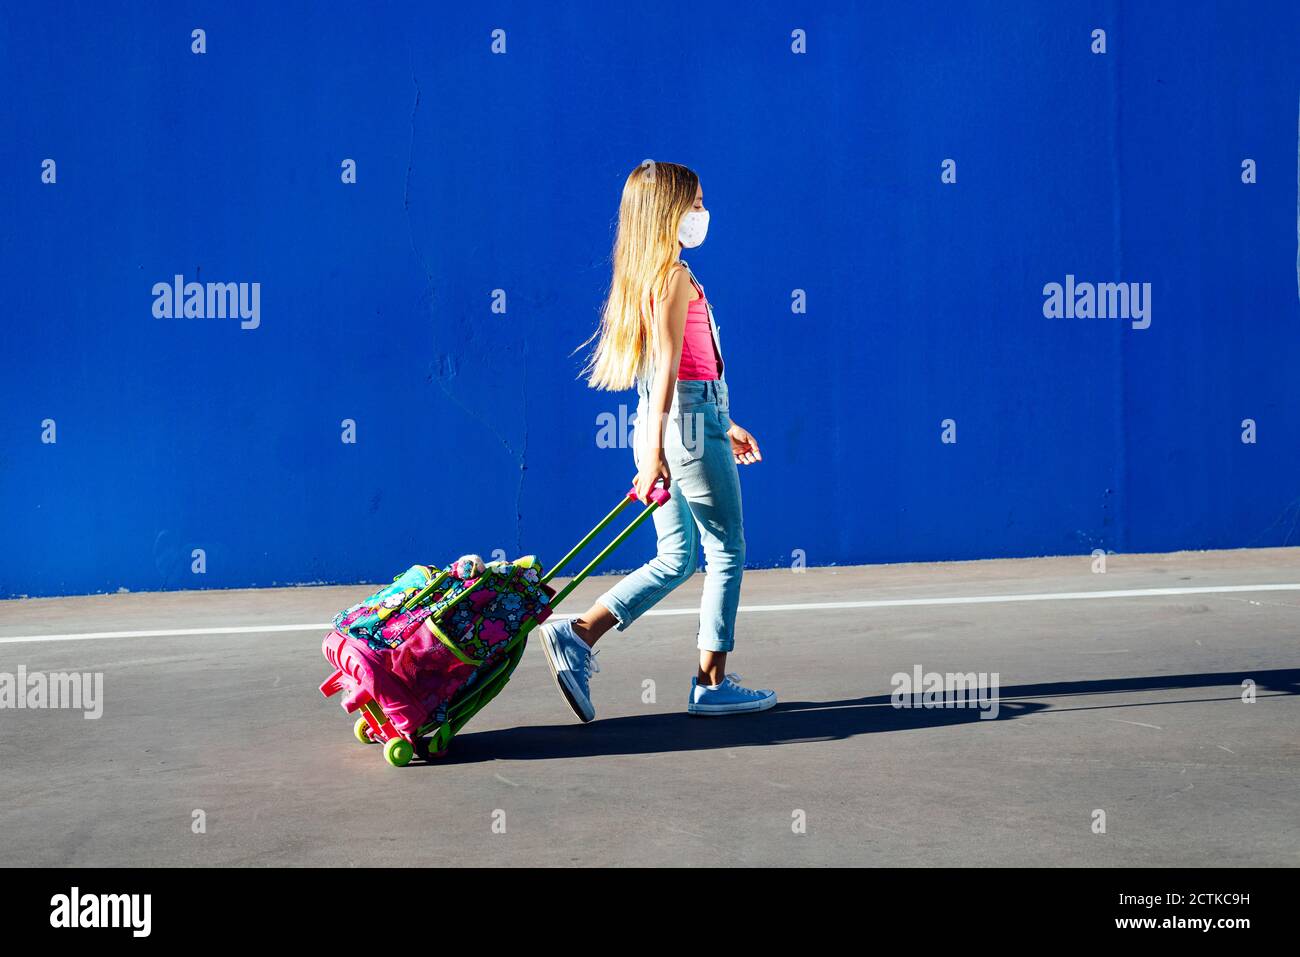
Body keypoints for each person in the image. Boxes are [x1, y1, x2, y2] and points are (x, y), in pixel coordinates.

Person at [537, 160, 777, 721]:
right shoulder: (672, 277)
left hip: (683, 421)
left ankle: (577, 634)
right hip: (685, 426)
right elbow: (667, 368)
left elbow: (678, 375)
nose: (701, 214)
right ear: (668, 212)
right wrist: (655, 457)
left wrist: (723, 422)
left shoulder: (652, 276)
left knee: (676, 558)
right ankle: (711, 684)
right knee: (726, 551)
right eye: (694, 204)